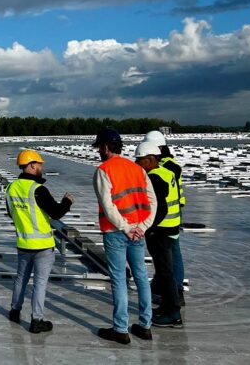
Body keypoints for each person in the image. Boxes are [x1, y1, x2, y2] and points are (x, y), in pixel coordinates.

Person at [92, 129, 157, 344]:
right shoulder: (137, 169)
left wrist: (126, 227)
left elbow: (108, 205)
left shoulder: (104, 170)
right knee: (141, 277)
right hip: (137, 232)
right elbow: (152, 202)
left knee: (119, 279)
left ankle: (121, 329)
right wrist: (142, 226)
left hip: (116, 232)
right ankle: (145, 325)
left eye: (100, 147)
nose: (99, 151)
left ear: (105, 147)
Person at [5, 149, 75, 334]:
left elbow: (11, 212)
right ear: (32, 165)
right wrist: (67, 201)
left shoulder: (11, 188)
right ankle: (37, 320)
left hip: (23, 243)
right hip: (42, 245)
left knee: (21, 278)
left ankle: (15, 311)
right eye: (40, 164)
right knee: (40, 283)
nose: (42, 168)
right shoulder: (38, 190)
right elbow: (57, 213)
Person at [134, 142, 183, 328]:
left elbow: (160, 207)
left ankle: (173, 314)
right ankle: (166, 306)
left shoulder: (154, 178)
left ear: (151, 159)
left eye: (140, 160)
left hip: (160, 231)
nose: (138, 163)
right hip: (171, 228)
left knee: (165, 272)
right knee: (165, 272)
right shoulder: (166, 172)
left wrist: (148, 227)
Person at [144, 130, 186, 305]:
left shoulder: (164, 168)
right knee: (170, 257)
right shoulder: (172, 164)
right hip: (174, 214)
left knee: (170, 257)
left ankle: (175, 292)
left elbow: (160, 200)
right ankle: (170, 289)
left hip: (165, 218)